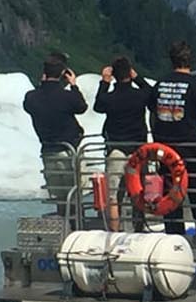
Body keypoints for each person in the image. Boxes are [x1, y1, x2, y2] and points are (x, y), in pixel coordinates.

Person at [152, 41, 196, 239]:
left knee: (171, 194)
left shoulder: (160, 84)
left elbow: (152, 115)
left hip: (166, 149)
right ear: (190, 60)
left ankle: (173, 235)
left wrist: (156, 141)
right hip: (193, 149)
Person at [93, 55, 154, 231]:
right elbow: (151, 93)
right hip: (138, 150)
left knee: (113, 197)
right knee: (138, 191)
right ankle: (139, 227)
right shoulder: (139, 95)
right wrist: (138, 78)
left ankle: (114, 231)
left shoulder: (110, 98)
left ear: (114, 75)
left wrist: (104, 82)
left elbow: (98, 105)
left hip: (116, 149)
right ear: (129, 73)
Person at [22, 52, 87, 205]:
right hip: (69, 149)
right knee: (75, 195)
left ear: (44, 73)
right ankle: (76, 224)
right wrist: (74, 85)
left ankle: (64, 223)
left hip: (48, 150)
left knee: (59, 197)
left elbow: (31, 103)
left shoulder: (32, 98)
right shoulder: (67, 96)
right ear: (63, 73)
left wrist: (43, 84)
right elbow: (81, 107)